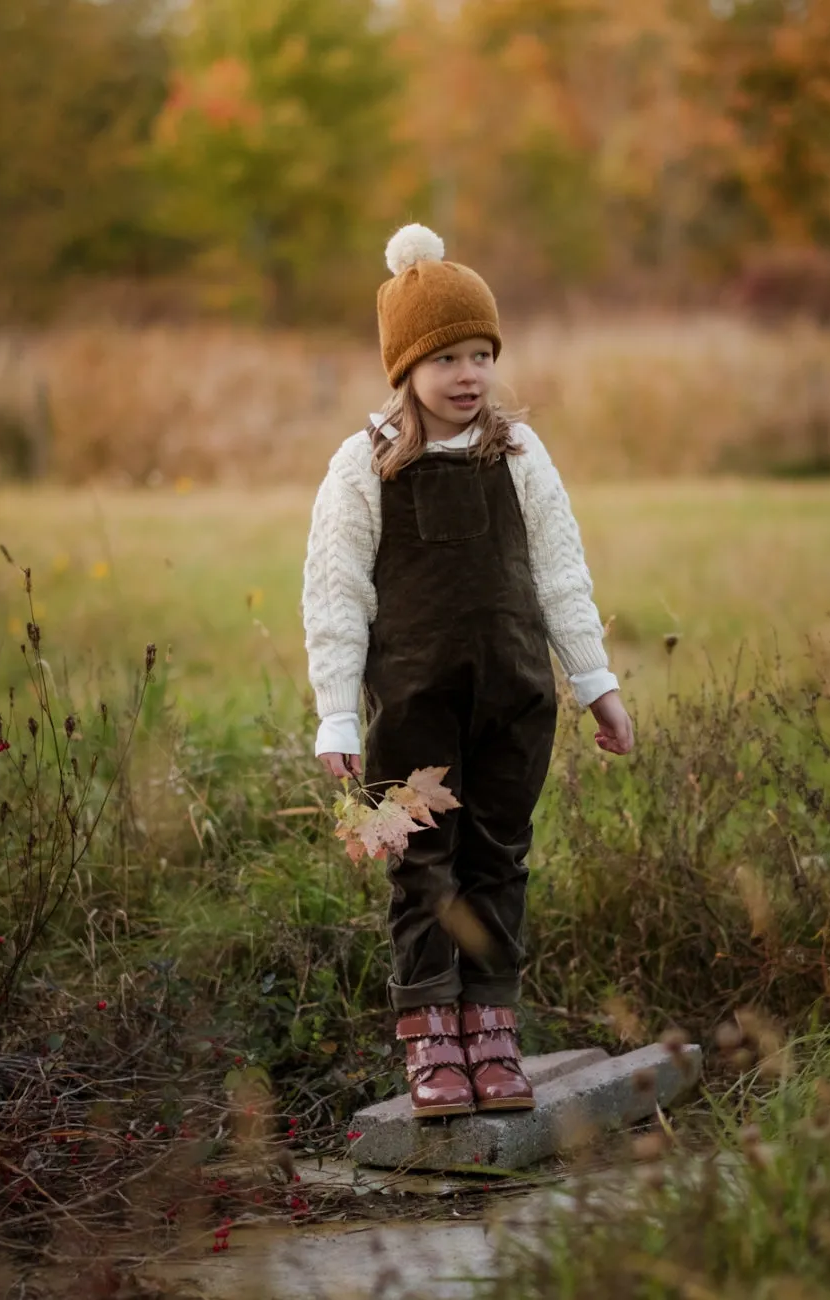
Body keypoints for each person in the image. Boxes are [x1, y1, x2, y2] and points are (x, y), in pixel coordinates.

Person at [302, 224, 634, 1120]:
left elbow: (563, 573)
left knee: (498, 859)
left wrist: (595, 683)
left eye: (482, 353)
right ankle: (428, 1035)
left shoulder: (519, 456)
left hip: (515, 705)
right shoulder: (366, 463)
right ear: (403, 368)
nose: (468, 373)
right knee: (417, 863)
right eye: (445, 355)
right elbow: (334, 598)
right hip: (409, 713)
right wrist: (336, 716)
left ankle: (491, 1024)